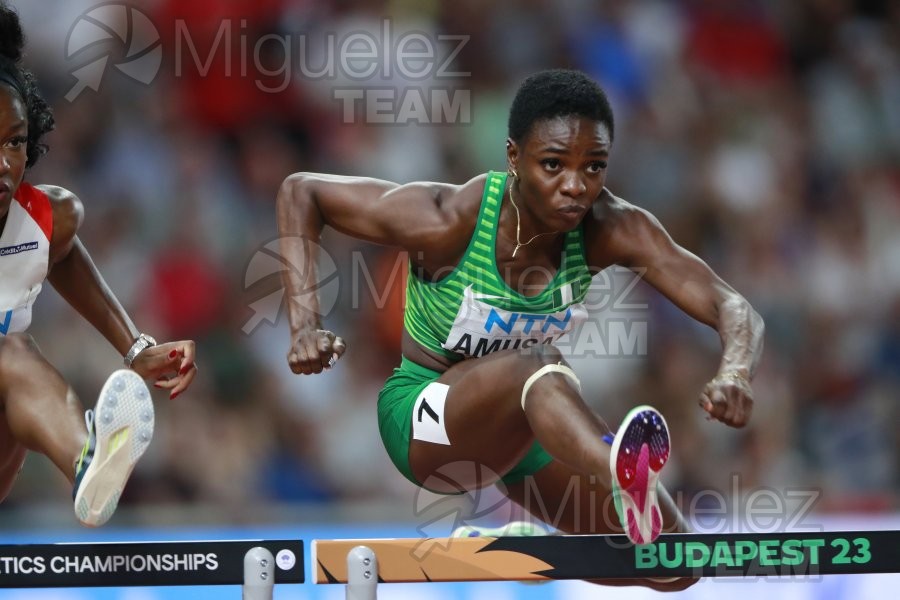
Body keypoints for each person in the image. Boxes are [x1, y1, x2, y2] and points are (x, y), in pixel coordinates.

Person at [277, 69, 763, 590]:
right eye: (553, 164)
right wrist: (306, 324)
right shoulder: (447, 219)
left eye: (594, 167)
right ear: (513, 158)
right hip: (423, 423)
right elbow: (302, 193)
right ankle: (618, 469)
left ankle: (514, 547)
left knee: (673, 564)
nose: (575, 186)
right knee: (540, 362)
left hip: (522, 433)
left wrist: (735, 369)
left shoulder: (611, 227)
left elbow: (733, 306)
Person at [0, 3, 197, 527]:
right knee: (12, 351)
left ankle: (93, 467)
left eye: (14, 143)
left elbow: (61, 254)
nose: (4, 165)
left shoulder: (47, 218)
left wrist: (135, 346)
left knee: (13, 360)